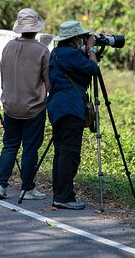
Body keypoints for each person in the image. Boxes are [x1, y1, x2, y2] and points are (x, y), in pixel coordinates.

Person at [0, 8, 50, 200]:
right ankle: (27, 187)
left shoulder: (8, 47)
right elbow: (48, 82)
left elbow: (3, 75)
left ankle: (1, 185)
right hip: (33, 107)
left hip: (10, 104)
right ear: (35, 29)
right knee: (30, 148)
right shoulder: (42, 51)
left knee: (9, 146)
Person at [46, 20, 99, 210]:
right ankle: (64, 197)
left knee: (61, 152)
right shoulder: (70, 54)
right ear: (76, 38)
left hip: (57, 107)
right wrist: (91, 50)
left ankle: (59, 195)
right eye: (82, 38)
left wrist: (84, 52)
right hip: (70, 108)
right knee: (70, 154)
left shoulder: (57, 53)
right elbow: (93, 70)